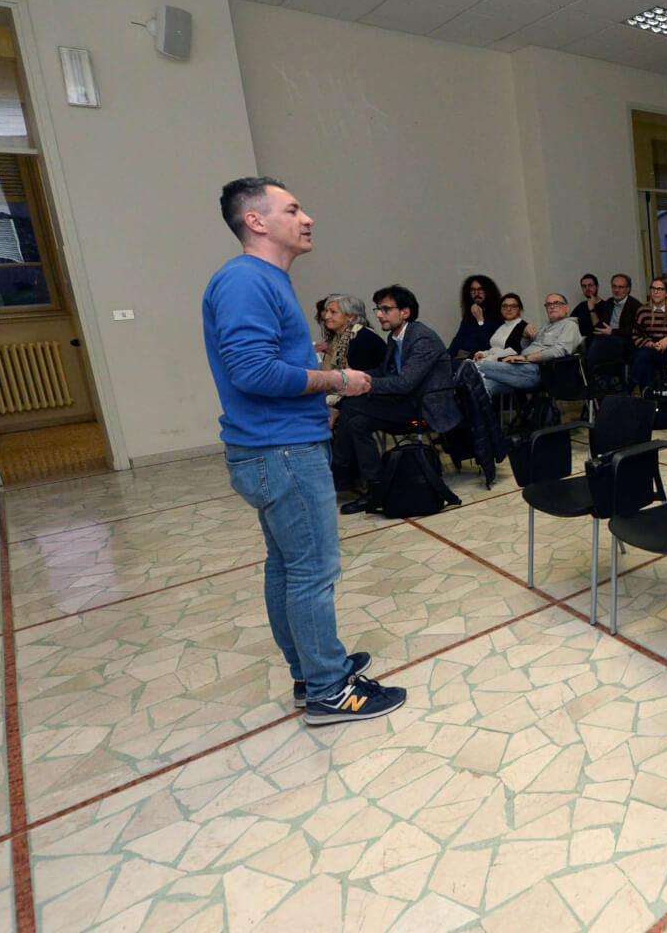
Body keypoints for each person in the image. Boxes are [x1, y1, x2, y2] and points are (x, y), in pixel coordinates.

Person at [204, 176, 406, 725]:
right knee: (312, 570)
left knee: (289, 566)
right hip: (283, 449)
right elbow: (253, 372)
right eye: (292, 209)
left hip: (274, 446)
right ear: (256, 221)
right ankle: (328, 689)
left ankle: (311, 669)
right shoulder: (247, 280)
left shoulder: (261, 279)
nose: (307, 217)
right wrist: (338, 379)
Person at [331, 284, 461, 513]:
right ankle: (375, 487)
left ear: (405, 312)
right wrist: (354, 377)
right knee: (357, 423)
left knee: (351, 405)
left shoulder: (422, 338)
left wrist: (365, 385)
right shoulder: (395, 336)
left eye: (385, 309)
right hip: (405, 402)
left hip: (425, 406)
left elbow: (405, 382)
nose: (379, 315)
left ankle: (339, 470)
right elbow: (385, 372)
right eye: (378, 309)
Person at [480, 292, 585, 398]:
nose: (552, 306)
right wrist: (525, 337)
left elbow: (559, 351)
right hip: (522, 369)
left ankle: (472, 366)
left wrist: (526, 358)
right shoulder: (544, 327)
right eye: (548, 304)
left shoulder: (570, 325)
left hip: (540, 372)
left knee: (480, 366)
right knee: (482, 386)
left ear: (566, 307)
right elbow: (525, 348)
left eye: (556, 303)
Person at [629, 276, 667, 389]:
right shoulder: (643, 311)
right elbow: (636, 336)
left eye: (660, 289)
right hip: (650, 348)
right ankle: (649, 390)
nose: (655, 292)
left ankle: (632, 384)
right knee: (643, 356)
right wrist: (651, 344)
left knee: (643, 357)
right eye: (653, 288)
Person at [447, 274, 500, 360]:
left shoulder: (498, 316)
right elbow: (458, 339)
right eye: (473, 290)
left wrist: (480, 320)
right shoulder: (470, 315)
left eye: (480, 290)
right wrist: (446, 356)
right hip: (460, 358)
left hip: (479, 360)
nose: (476, 294)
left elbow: (487, 345)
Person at [572, 273, 601, 339]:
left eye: (590, 285)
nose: (587, 288)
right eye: (584, 286)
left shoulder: (606, 306)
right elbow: (570, 324)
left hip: (597, 341)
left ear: (597, 286)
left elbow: (599, 329)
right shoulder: (580, 306)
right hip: (581, 341)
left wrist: (592, 309)